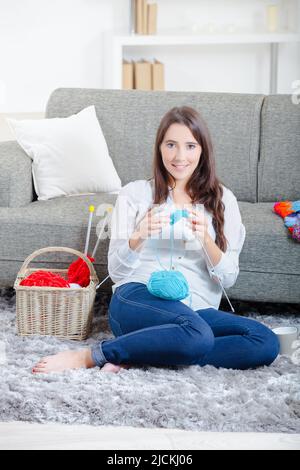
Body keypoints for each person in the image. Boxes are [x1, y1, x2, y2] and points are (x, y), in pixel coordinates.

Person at [32, 106, 279, 374]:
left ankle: (140, 353)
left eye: (190, 146)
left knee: (264, 342)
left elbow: (228, 277)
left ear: (203, 151)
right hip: (137, 299)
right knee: (197, 334)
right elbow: (116, 272)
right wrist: (140, 234)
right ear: (160, 148)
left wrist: (207, 240)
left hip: (197, 310)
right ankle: (91, 356)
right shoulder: (135, 193)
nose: (180, 156)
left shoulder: (223, 200)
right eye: (171, 144)